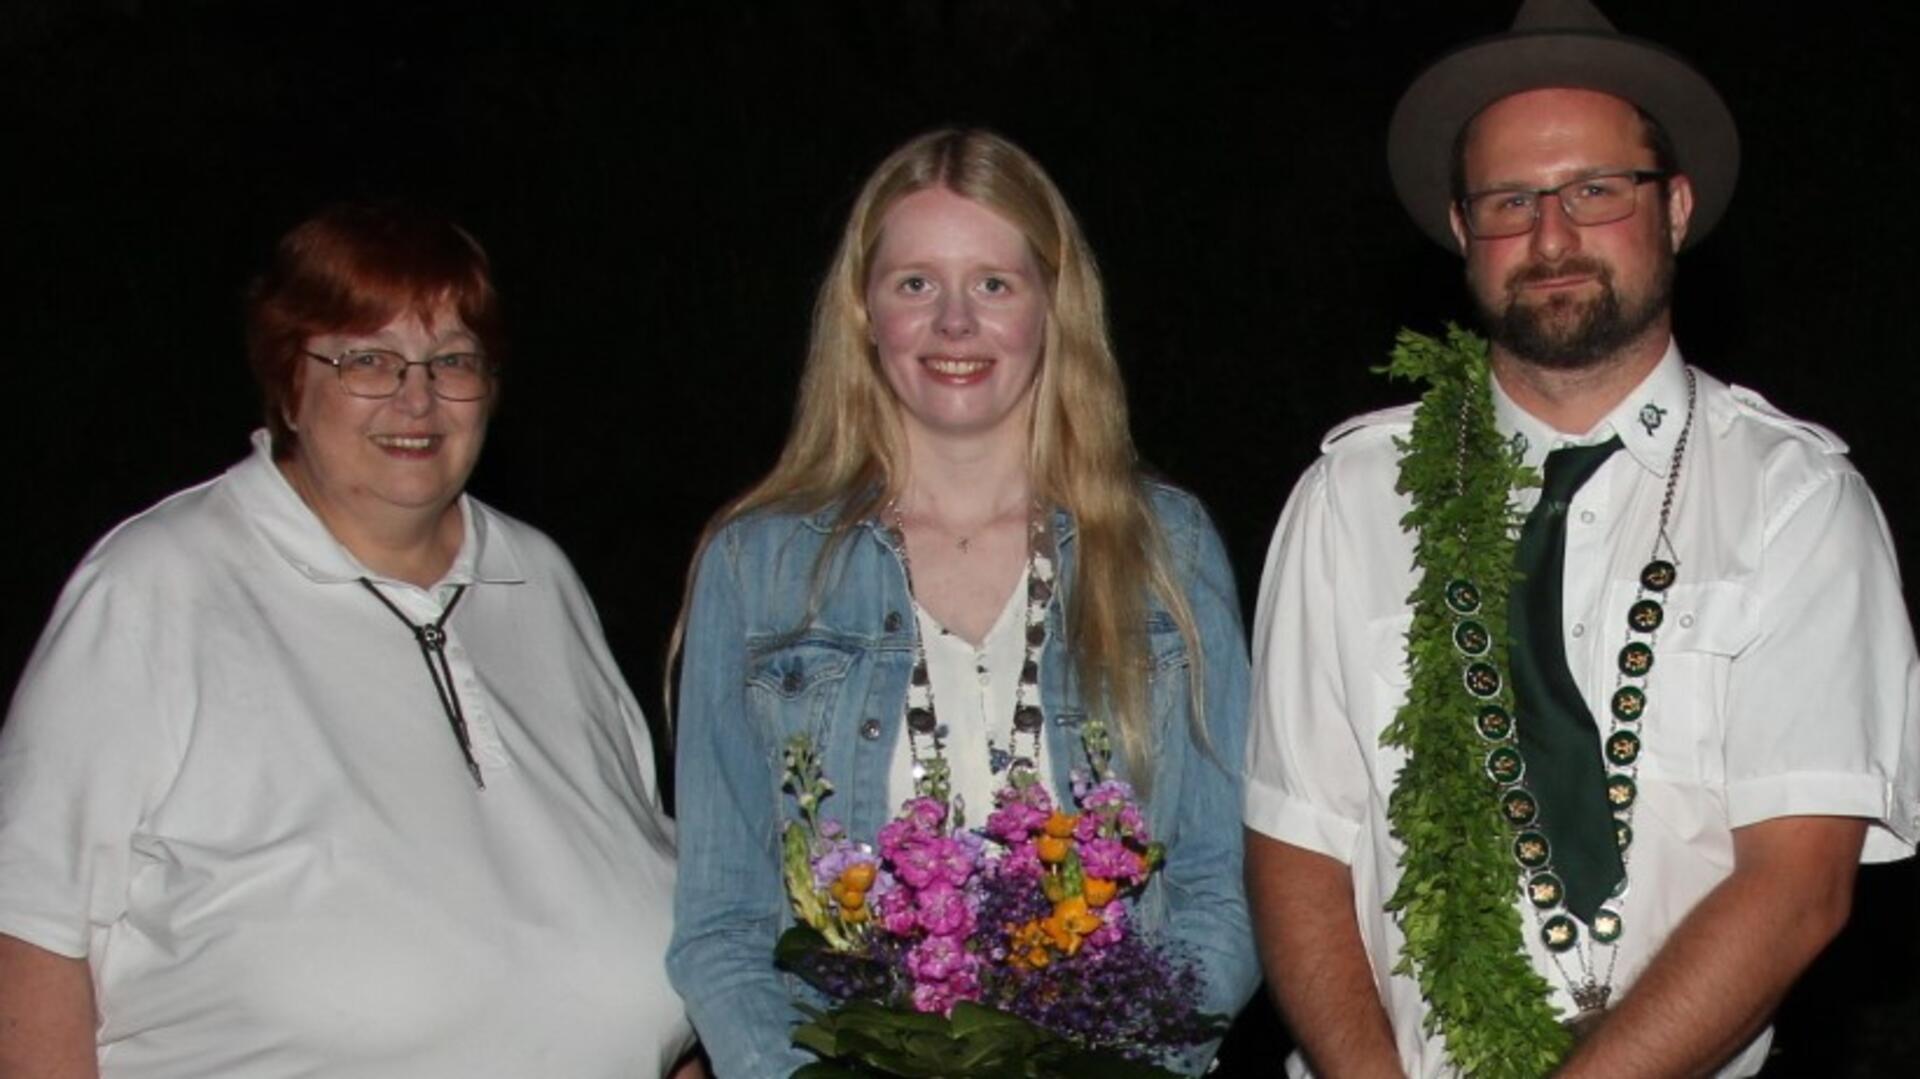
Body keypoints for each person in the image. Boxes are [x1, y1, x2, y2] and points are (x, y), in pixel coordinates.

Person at [1244, 1, 1919, 1076]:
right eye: (1512, 200)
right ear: (1465, 230)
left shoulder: (1796, 501)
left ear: (1677, 207)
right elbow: (1296, 847)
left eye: (1597, 190)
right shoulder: (1350, 499)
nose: (1551, 236)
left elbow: (1798, 883)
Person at [0, 203, 696, 1078]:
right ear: (289, 382)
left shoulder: (539, 579)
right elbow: (28, 936)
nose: (418, 396)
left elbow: (629, 908)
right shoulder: (160, 584)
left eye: (453, 360)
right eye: (366, 358)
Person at [667, 128, 1259, 1077]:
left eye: (993, 283)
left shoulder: (1165, 547)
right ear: (863, 311)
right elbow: (722, 922)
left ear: (1051, 307)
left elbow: (1218, 888)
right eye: (915, 284)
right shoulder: (756, 566)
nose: (954, 324)